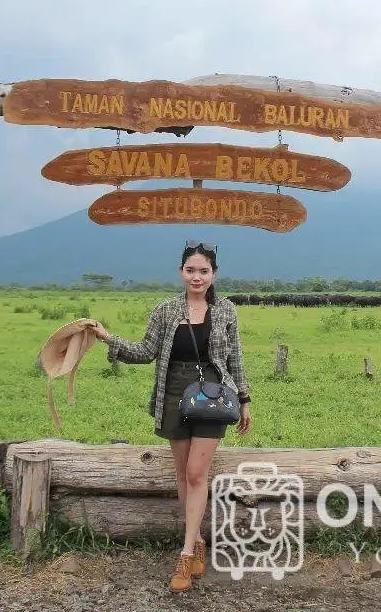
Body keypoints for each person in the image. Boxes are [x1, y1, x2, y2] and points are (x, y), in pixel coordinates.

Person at [89, 240, 252, 594]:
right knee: (182, 476)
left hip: (212, 394)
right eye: (190, 270)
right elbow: (145, 351)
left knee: (196, 472)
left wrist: (244, 399)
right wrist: (108, 339)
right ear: (181, 272)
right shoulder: (166, 310)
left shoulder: (226, 310)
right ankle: (197, 542)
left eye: (203, 271)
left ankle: (185, 554)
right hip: (174, 393)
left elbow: (236, 358)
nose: (197, 277)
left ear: (214, 274)